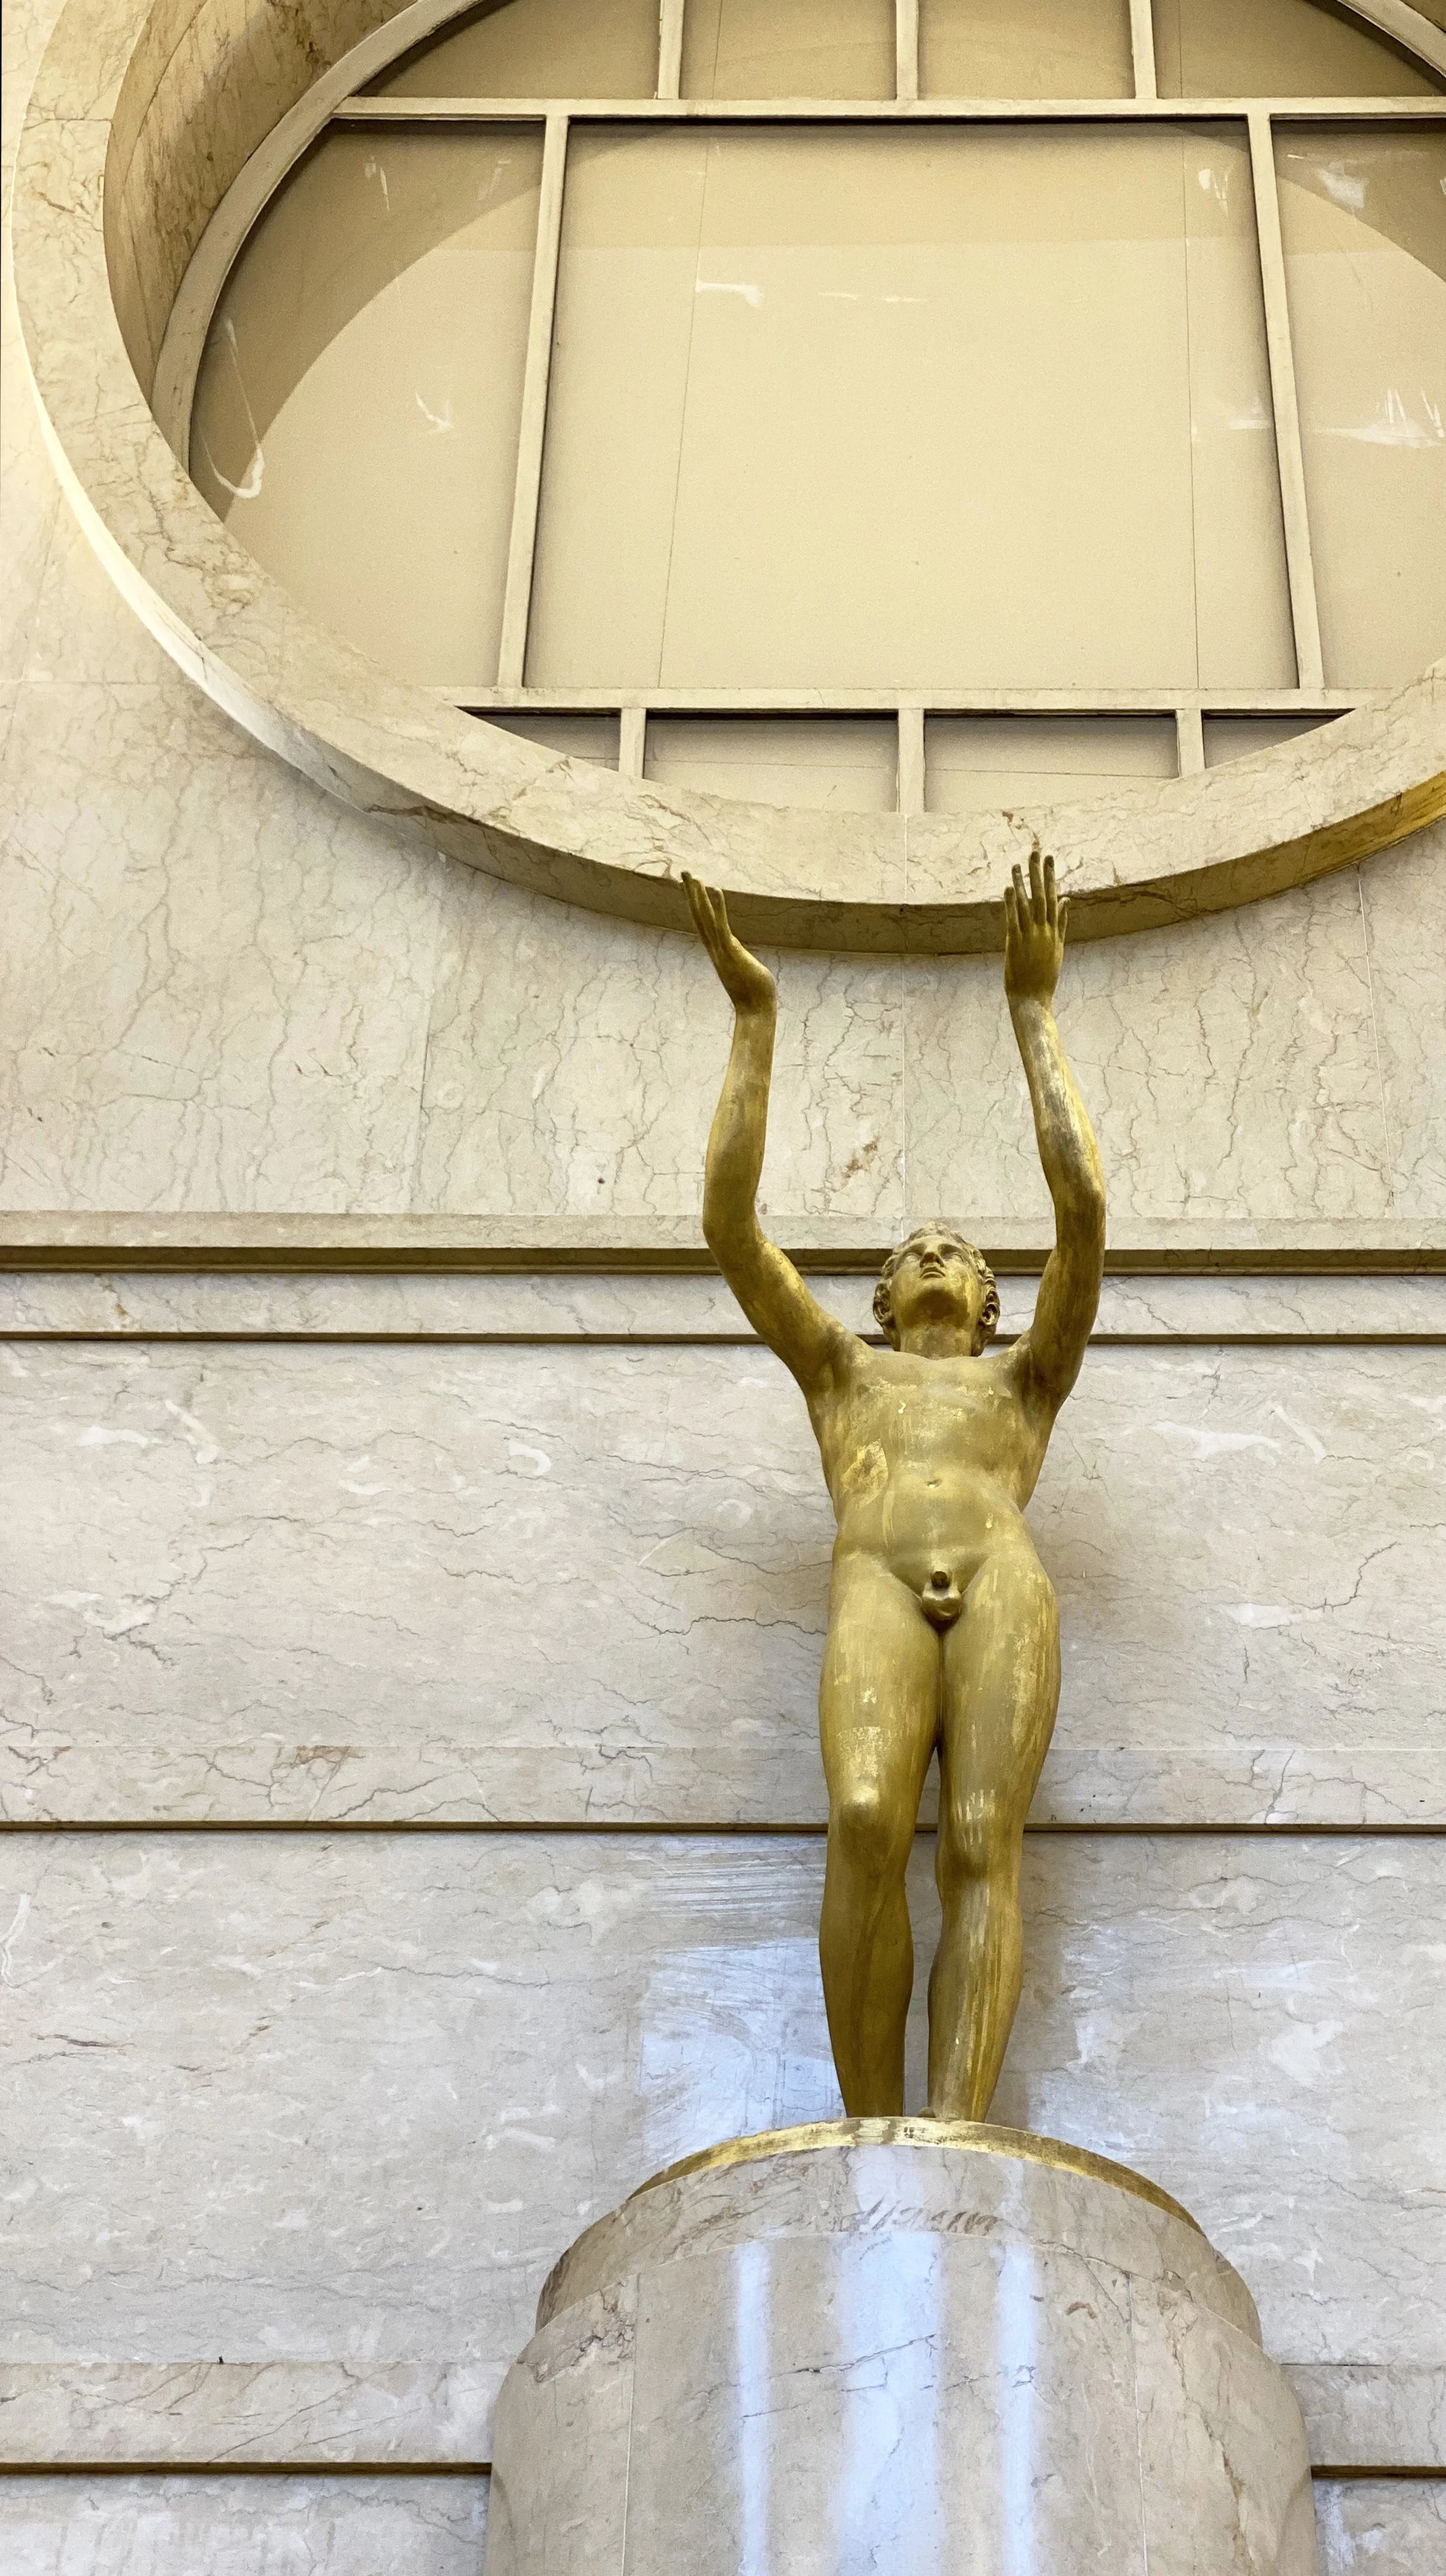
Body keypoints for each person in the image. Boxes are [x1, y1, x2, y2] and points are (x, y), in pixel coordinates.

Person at [684, 845, 1105, 2121]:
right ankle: (871, 2128)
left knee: (979, 1841)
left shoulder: (1025, 1380)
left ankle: (957, 2129)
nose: (931, 1248)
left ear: (989, 1299)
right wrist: (755, 1023)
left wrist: (1033, 1015)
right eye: (909, 1245)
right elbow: (727, 1227)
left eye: (958, 1249)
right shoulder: (839, 1373)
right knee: (866, 1816)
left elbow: (1082, 1210)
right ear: (878, 1297)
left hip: (999, 1576)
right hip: (873, 1567)